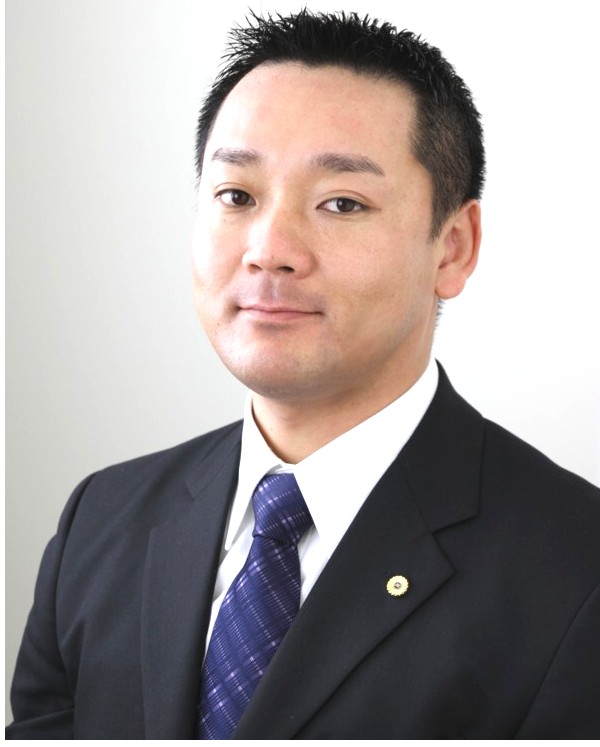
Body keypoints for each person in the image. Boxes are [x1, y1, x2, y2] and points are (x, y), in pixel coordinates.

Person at [6, 9, 600, 740]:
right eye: (237, 196)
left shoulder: (577, 571)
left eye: (341, 203)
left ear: (452, 247)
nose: (270, 249)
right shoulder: (100, 520)